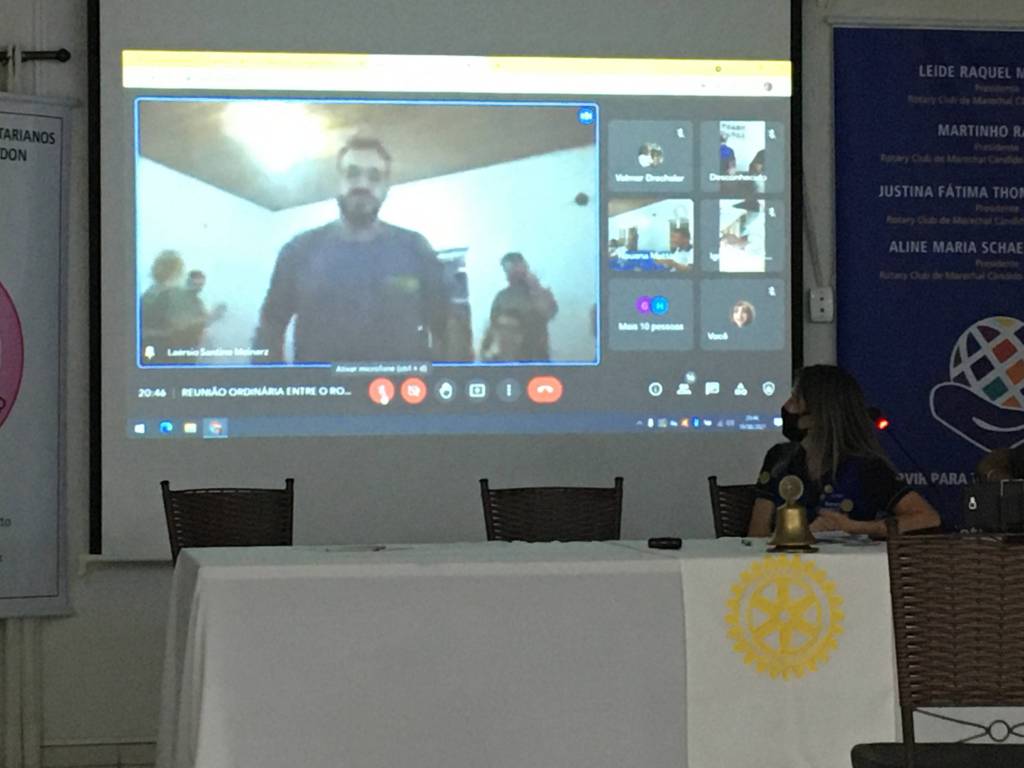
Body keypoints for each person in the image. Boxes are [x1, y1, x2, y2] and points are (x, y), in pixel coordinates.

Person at [252, 136, 449, 363]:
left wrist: (447, 380)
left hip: (402, 385)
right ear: (338, 182)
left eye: (374, 177)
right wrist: (274, 382)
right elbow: (269, 327)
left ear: (386, 188)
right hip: (320, 387)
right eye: (352, 174)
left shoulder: (415, 248)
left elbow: (445, 327)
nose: (362, 184)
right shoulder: (298, 251)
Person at [748, 365, 942, 537]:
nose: (786, 407)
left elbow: (927, 517)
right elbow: (757, 533)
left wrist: (855, 528)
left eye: (796, 401)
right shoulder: (779, 458)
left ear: (820, 413)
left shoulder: (865, 467)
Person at [479, 252, 558, 361]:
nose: (511, 275)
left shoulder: (541, 293)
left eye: (515, 269)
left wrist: (535, 288)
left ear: (525, 267)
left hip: (536, 356)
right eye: (508, 271)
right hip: (508, 358)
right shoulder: (502, 297)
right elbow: (493, 328)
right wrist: (486, 353)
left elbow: (549, 312)